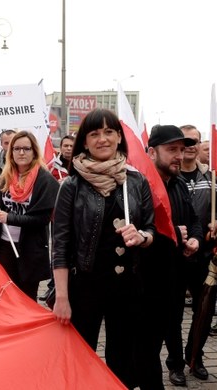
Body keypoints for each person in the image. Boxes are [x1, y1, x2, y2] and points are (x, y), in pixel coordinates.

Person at [51, 108, 156, 388]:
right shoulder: (71, 186)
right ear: (84, 142)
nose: (102, 139)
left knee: (122, 360)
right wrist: (62, 297)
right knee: (80, 356)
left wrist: (141, 236)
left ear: (119, 137)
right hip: (85, 286)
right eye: (94, 133)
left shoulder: (136, 181)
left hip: (128, 287)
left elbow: (151, 229)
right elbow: (59, 244)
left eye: (109, 132)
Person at [136, 124, 202, 389]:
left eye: (181, 149)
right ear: (152, 152)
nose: (179, 155)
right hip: (145, 281)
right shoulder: (138, 185)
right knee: (146, 347)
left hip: (175, 279)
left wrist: (195, 238)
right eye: (171, 149)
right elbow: (139, 230)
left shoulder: (179, 184)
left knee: (170, 329)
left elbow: (194, 220)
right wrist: (173, 234)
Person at [163, 124, 217, 384]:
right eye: (182, 144)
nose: (189, 147)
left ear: (199, 146)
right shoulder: (168, 178)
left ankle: (195, 356)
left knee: (204, 311)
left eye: (194, 142)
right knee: (173, 312)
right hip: (175, 258)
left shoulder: (211, 177)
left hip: (204, 256)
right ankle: (175, 362)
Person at [0, 131, 59, 301]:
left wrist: (10, 218)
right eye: (16, 148)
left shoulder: (46, 181)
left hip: (30, 249)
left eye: (26, 148)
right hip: (4, 246)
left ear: (34, 151)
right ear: (11, 152)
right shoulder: (6, 177)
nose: (21, 153)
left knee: (26, 299)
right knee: (5, 296)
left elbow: (42, 219)